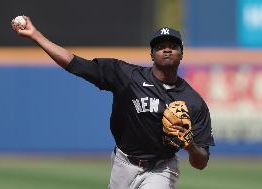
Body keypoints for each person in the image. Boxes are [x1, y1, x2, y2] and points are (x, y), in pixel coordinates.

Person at [11, 16, 215, 189]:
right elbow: (74, 64)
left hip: (162, 167)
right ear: (151, 54)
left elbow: (201, 162)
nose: (167, 50)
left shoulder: (193, 102)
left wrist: (189, 146)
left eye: (173, 46)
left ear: (182, 53)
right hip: (123, 163)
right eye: (160, 46)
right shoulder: (126, 75)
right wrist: (35, 35)